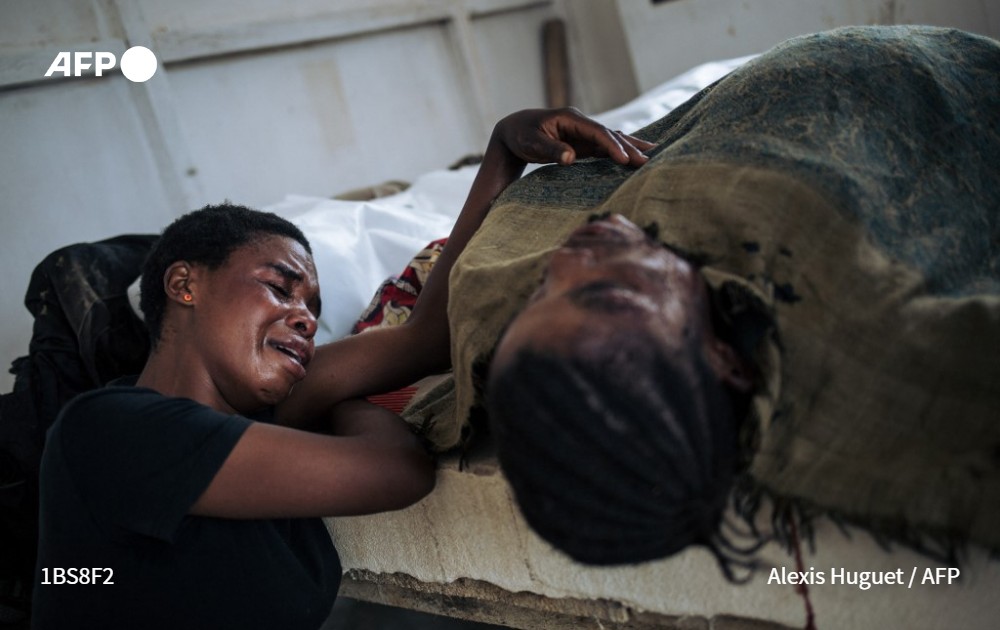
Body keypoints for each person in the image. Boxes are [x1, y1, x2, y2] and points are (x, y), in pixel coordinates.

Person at [31, 109, 654, 629]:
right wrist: (344, 397)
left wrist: (502, 154)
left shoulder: (264, 417)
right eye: (280, 288)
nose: (305, 319)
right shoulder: (111, 429)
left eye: (314, 309)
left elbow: (428, 338)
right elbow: (398, 471)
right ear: (184, 285)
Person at [414, 25, 1000, 573]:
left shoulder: (508, 297)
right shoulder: (863, 317)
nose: (567, 255)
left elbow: (436, 330)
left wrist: (503, 147)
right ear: (724, 359)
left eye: (541, 290)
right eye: (611, 293)